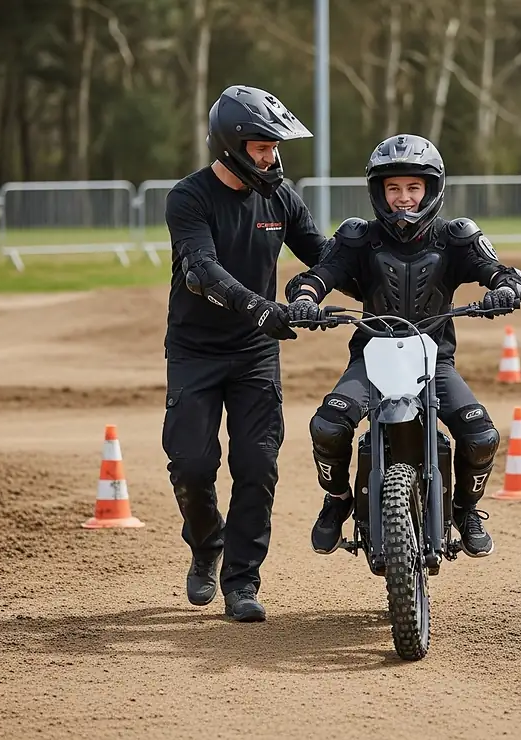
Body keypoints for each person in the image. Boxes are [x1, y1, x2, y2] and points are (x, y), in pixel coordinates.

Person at [284, 133, 521, 559]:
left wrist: (506, 289)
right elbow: (319, 274)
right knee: (327, 425)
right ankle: (338, 499)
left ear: (430, 189)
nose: (403, 199)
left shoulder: (456, 237)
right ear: (378, 191)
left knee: (482, 434)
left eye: (413, 187)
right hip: (372, 357)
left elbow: (502, 272)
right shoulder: (358, 238)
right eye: (393, 188)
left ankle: (466, 510)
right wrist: (306, 299)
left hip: (434, 360)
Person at [162, 84, 330, 622]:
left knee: (257, 465)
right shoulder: (188, 198)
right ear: (233, 144)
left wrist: (376, 281)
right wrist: (260, 307)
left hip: (256, 354)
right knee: (191, 464)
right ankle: (206, 543)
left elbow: (325, 256)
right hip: (195, 350)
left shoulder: (280, 198)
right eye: (263, 146)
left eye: (276, 147)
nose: (272, 156)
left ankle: (242, 583)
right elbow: (201, 270)